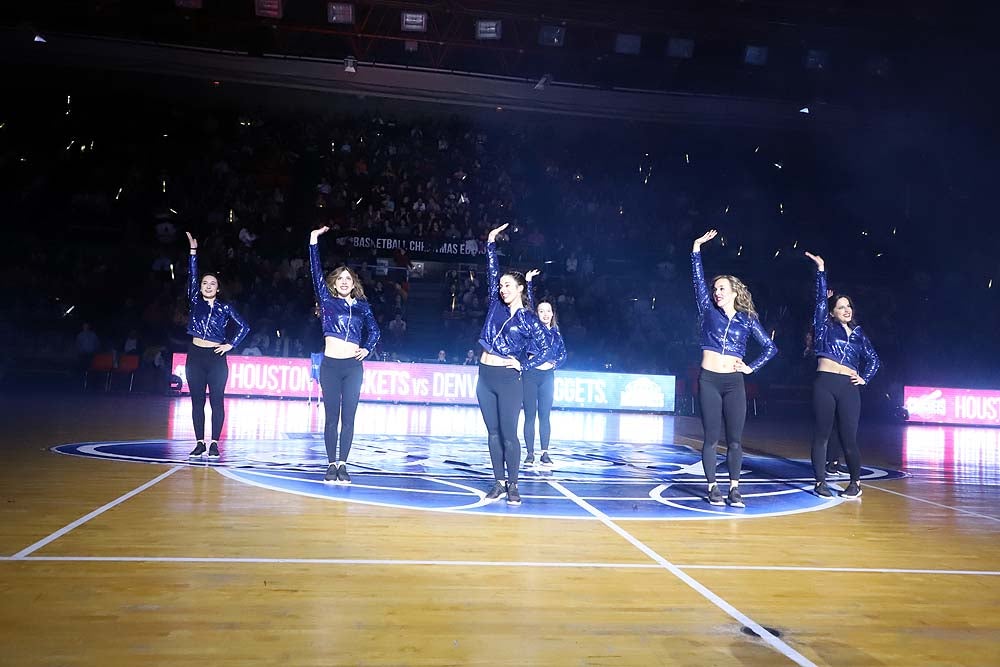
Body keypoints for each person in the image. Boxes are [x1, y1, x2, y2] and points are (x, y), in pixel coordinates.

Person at [691, 229, 777, 507]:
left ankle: (735, 488)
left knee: (736, 439)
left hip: (734, 382)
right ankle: (712, 486)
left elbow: (771, 348)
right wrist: (696, 249)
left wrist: (751, 368)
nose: (716, 293)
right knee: (711, 437)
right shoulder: (708, 310)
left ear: (733, 292)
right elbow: (697, 283)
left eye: (722, 289)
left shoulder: (747, 319)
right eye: (715, 289)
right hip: (709, 380)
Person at [476, 223, 553, 505]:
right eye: (500, 285)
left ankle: (514, 484)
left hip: (509, 380)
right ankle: (498, 482)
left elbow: (547, 351)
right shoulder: (495, 306)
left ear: (520, 288)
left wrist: (523, 364)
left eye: (508, 285)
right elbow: (492, 270)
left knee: (509, 434)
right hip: (485, 376)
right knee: (493, 433)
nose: (502, 288)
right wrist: (490, 243)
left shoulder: (529, 319)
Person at [805, 252, 880, 499]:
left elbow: (874, 359)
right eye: (841, 306)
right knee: (822, 435)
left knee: (849, 438)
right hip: (825, 383)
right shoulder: (824, 327)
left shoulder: (859, 333)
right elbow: (819, 302)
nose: (846, 309)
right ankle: (820, 482)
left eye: (848, 306)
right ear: (832, 312)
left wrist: (865, 377)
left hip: (849, 387)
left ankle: (855, 483)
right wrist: (821, 270)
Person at [310, 226, 381, 484]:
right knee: (331, 417)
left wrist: (367, 347)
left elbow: (375, 330)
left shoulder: (362, 306)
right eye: (339, 278)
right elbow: (315, 272)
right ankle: (330, 464)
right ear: (333, 283)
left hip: (353, 367)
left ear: (353, 284)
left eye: (348, 279)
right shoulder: (327, 302)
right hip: (330, 366)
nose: (343, 281)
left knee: (348, 417)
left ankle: (343, 464)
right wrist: (313, 241)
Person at [184, 232, 250, 458]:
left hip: (216, 357)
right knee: (197, 401)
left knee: (216, 401)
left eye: (213, 283)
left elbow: (244, 327)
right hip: (195, 355)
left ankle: (214, 443)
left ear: (218, 288)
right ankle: (200, 442)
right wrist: (193, 253)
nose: (208, 285)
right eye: (205, 283)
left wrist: (230, 345)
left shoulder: (225, 307)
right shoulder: (195, 300)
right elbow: (192, 276)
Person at [521, 269, 567, 466]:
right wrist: (528, 282)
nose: (545, 314)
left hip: (548, 376)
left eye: (548, 311)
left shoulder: (556, 333)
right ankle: (530, 453)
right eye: (542, 311)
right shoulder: (534, 327)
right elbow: (530, 304)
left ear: (552, 314)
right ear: (537, 314)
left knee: (545, 416)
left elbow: (564, 353)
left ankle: (545, 452)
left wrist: (557, 363)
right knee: (530, 415)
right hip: (531, 375)